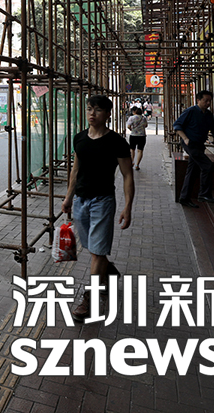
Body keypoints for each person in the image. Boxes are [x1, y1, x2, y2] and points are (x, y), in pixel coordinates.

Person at [61, 94, 135, 321]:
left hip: (102, 201)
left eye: (98, 110)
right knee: (91, 247)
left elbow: (127, 175)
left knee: (98, 251)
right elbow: (75, 170)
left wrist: (128, 207)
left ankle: (90, 299)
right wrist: (68, 197)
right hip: (80, 201)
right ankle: (108, 271)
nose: (92, 113)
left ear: (108, 114)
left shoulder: (117, 142)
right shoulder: (79, 138)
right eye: (89, 108)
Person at [173, 89, 214, 207]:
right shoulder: (190, 111)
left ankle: (184, 197)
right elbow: (177, 125)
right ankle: (204, 194)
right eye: (205, 100)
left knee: (193, 169)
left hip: (199, 144)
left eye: (210, 101)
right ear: (198, 100)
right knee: (207, 165)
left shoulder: (208, 114)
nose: (208, 103)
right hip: (190, 144)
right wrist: (185, 138)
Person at [126, 106, 148, 170]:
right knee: (140, 150)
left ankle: (132, 162)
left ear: (135, 112)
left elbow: (128, 126)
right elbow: (146, 125)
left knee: (132, 149)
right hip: (142, 136)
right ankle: (137, 164)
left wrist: (131, 129)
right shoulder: (144, 118)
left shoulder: (132, 118)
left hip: (133, 135)